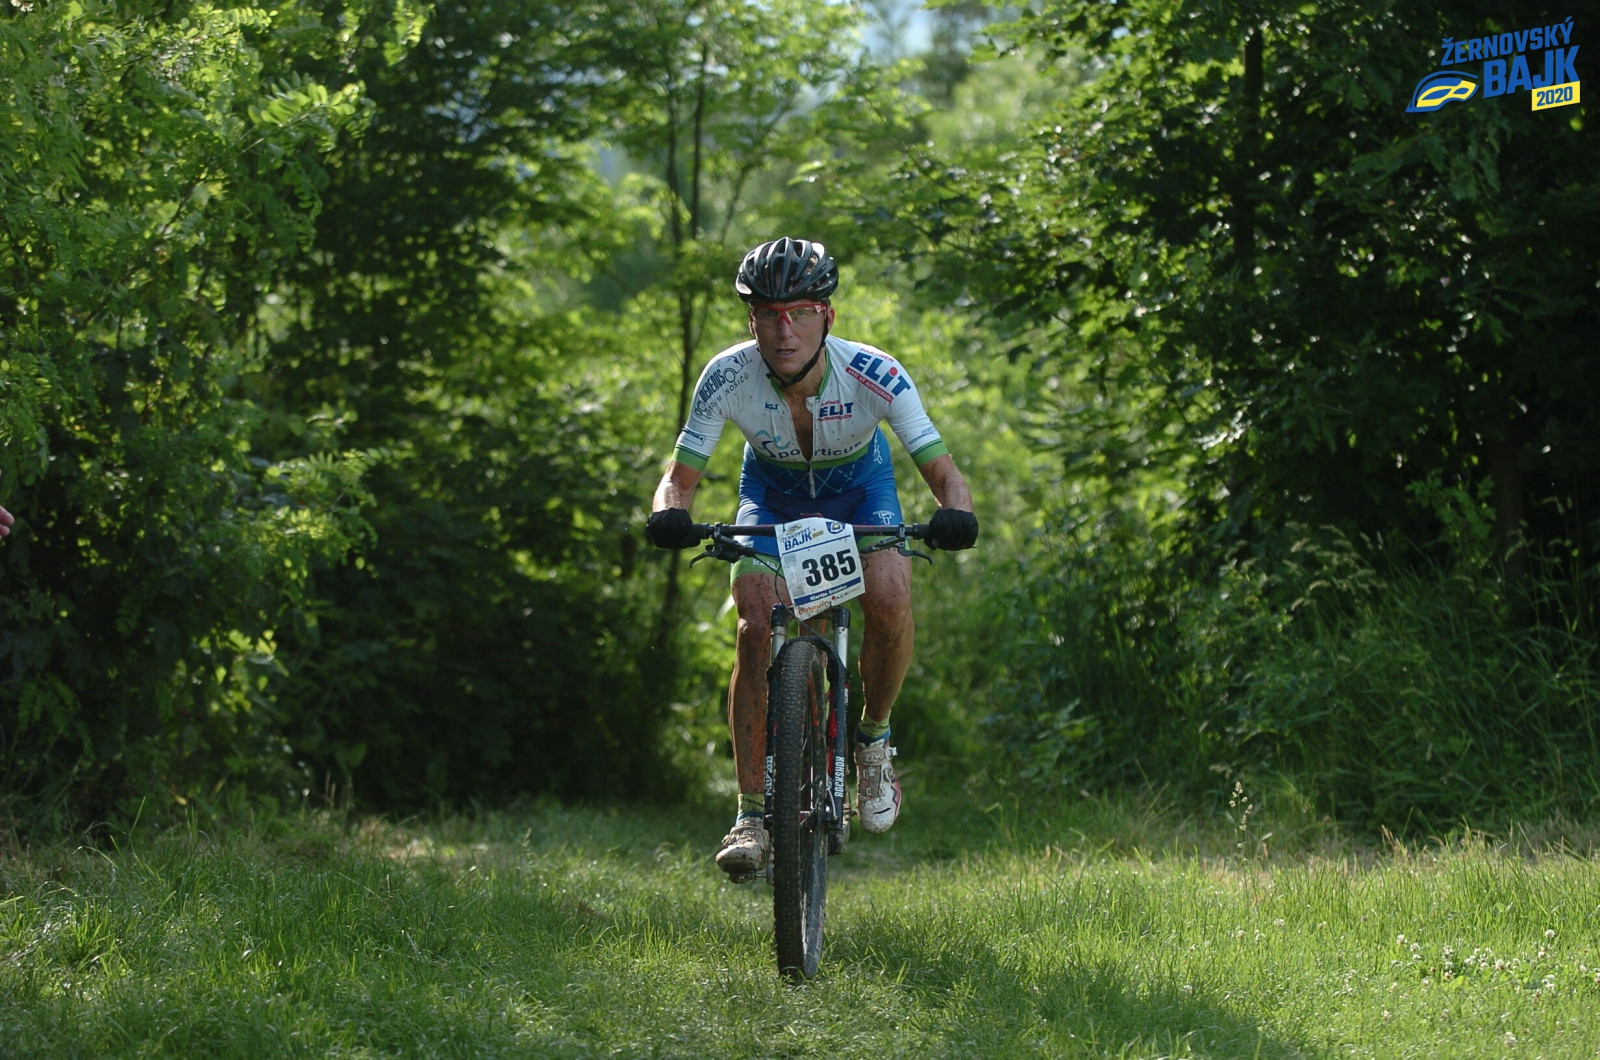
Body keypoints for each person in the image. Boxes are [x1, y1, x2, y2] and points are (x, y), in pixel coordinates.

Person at [646, 237, 978, 877]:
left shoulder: (874, 372)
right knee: (754, 626)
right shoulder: (726, 376)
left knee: (890, 596)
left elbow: (943, 472)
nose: (784, 331)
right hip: (772, 497)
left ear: (827, 316)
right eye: (769, 315)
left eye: (799, 313)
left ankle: (873, 740)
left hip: (861, 492)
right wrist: (669, 512)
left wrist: (956, 511)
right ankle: (750, 813)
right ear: (752, 321)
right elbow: (678, 479)